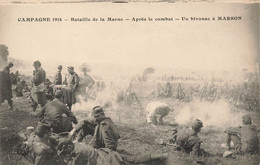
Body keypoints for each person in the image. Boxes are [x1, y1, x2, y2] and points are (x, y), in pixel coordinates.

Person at [89, 106, 168, 165]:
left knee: (133, 160)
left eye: (96, 117)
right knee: (132, 157)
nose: (94, 119)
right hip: (107, 150)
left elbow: (110, 146)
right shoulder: (106, 122)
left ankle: (161, 157)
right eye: (94, 117)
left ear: (102, 114)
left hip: (109, 152)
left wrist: (104, 155)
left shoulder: (104, 126)